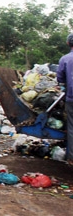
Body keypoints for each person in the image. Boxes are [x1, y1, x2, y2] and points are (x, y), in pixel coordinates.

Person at [56, 33, 73, 166]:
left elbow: (60, 79)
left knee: (71, 127)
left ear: (68, 43)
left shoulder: (65, 59)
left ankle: (71, 158)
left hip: (71, 97)